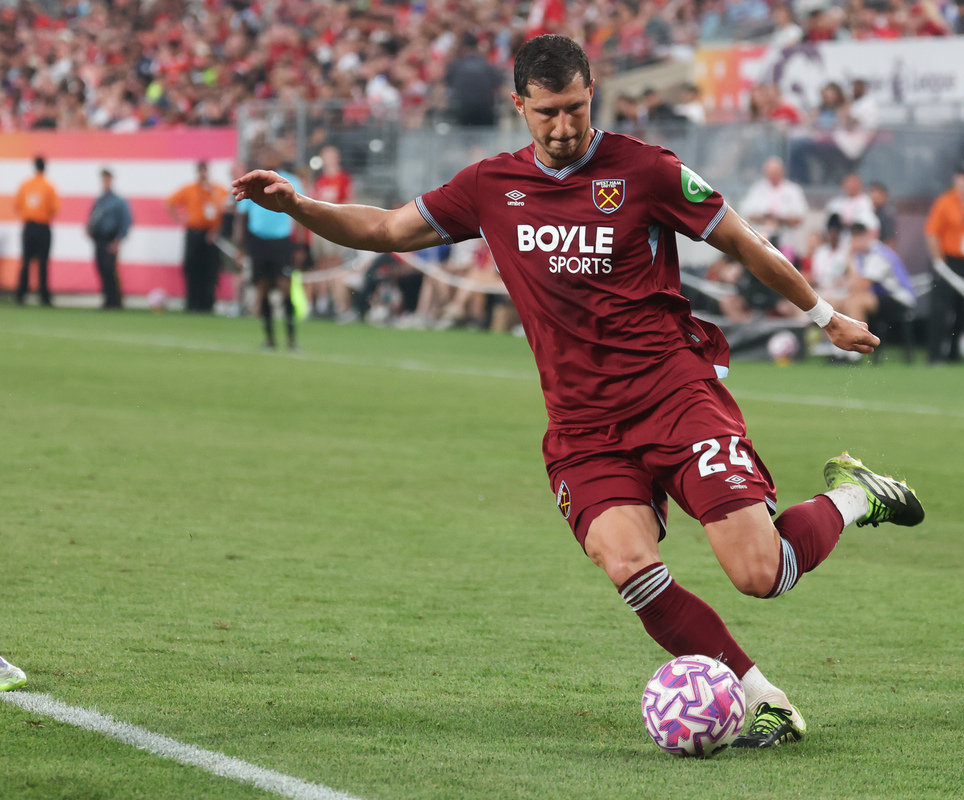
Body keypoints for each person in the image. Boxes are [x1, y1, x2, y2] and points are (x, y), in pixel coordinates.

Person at [234, 34, 924, 750]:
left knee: (761, 573)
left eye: (575, 108)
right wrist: (298, 205)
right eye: (547, 113)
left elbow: (746, 243)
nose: (563, 127)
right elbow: (384, 228)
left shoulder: (645, 171)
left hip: (674, 398)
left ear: (593, 93)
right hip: (583, 426)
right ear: (518, 107)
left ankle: (854, 496)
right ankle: (762, 697)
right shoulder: (488, 187)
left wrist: (825, 316)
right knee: (629, 566)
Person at [236, 149, 303, 350]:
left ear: (279, 160)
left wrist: (300, 245)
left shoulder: (291, 181)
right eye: (265, 157)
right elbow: (242, 215)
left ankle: (291, 339)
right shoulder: (254, 181)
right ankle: (270, 339)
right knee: (262, 289)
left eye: (272, 157)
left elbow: (301, 213)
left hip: (281, 241)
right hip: (258, 241)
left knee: (285, 288)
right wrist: (240, 246)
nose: (268, 160)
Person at [925, 161, 964, 363]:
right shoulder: (945, 202)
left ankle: (954, 353)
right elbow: (932, 233)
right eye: (962, 176)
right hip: (948, 261)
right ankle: (935, 354)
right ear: (956, 179)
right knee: (941, 310)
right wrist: (939, 261)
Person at [166, 161, 226, 312]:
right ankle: (192, 303)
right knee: (192, 269)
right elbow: (169, 202)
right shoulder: (190, 189)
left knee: (210, 270)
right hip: (194, 232)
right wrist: (180, 219)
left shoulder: (217, 190)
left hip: (211, 235)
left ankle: (208, 304)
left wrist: (217, 230)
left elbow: (224, 210)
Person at [838, 221, 916, 324]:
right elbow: (853, 287)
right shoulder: (860, 256)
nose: (854, 241)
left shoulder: (879, 254)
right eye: (853, 237)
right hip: (881, 296)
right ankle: (840, 340)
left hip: (899, 298)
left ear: (866, 236)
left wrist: (850, 260)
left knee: (857, 303)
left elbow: (861, 287)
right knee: (841, 302)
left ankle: (858, 340)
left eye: (857, 236)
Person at [309, 145, 355, 317]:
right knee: (322, 263)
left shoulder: (343, 179)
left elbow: (350, 202)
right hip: (320, 226)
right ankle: (322, 300)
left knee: (335, 263)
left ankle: (336, 302)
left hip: (334, 226)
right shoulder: (320, 179)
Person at [740, 156, 808, 259]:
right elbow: (747, 214)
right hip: (762, 240)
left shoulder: (793, 191)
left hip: (787, 241)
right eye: (770, 172)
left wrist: (780, 218)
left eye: (776, 172)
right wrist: (765, 217)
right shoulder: (757, 190)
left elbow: (800, 217)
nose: (773, 176)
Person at [14, 155, 59, 306]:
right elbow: (54, 209)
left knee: (26, 261)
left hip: (29, 226)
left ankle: (21, 294)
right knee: (43, 263)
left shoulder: (25, 185)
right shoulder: (49, 186)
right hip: (43, 226)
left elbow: (17, 206)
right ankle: (44, 296)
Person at [86, 168, 132, 310]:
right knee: (101, 268)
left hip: (111, 239)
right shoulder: (100, 200)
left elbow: (126, 221)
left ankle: (115, 300)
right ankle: (107, 298)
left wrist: (118, 240)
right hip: (99, 239)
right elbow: (93, 218)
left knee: (110, 269)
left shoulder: (118, 201)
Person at [868, 181, 897, 249]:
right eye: (872, 192)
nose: (874, 196)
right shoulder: (865, 213)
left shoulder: (886, 217)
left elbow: (890, 241)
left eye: (878, 195)